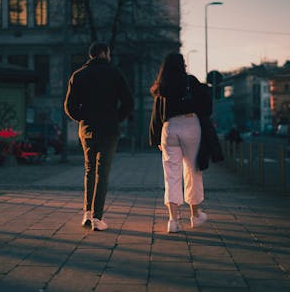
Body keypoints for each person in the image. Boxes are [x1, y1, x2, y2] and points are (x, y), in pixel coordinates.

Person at [64, 42, 134, 231]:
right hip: (109, 129)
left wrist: (83, 118)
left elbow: (69, 107)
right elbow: (129, 102)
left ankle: (87, 213)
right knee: (102, 173)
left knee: (89, 170)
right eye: (109, 53)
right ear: (104, 54)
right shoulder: (115, 73)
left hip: (87, 129)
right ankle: (97, 218)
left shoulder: (78, 75)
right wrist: (115, 118)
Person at [149, 52, 209, 233]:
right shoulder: (191, 81)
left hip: (169, 127)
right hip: (191, 125)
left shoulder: (162, 86)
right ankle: (195, 216)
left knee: (171, 174)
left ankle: (173, 221)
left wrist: (155, 136)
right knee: (193, 171)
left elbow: (156, 113)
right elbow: (206, 105)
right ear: (183, 64)